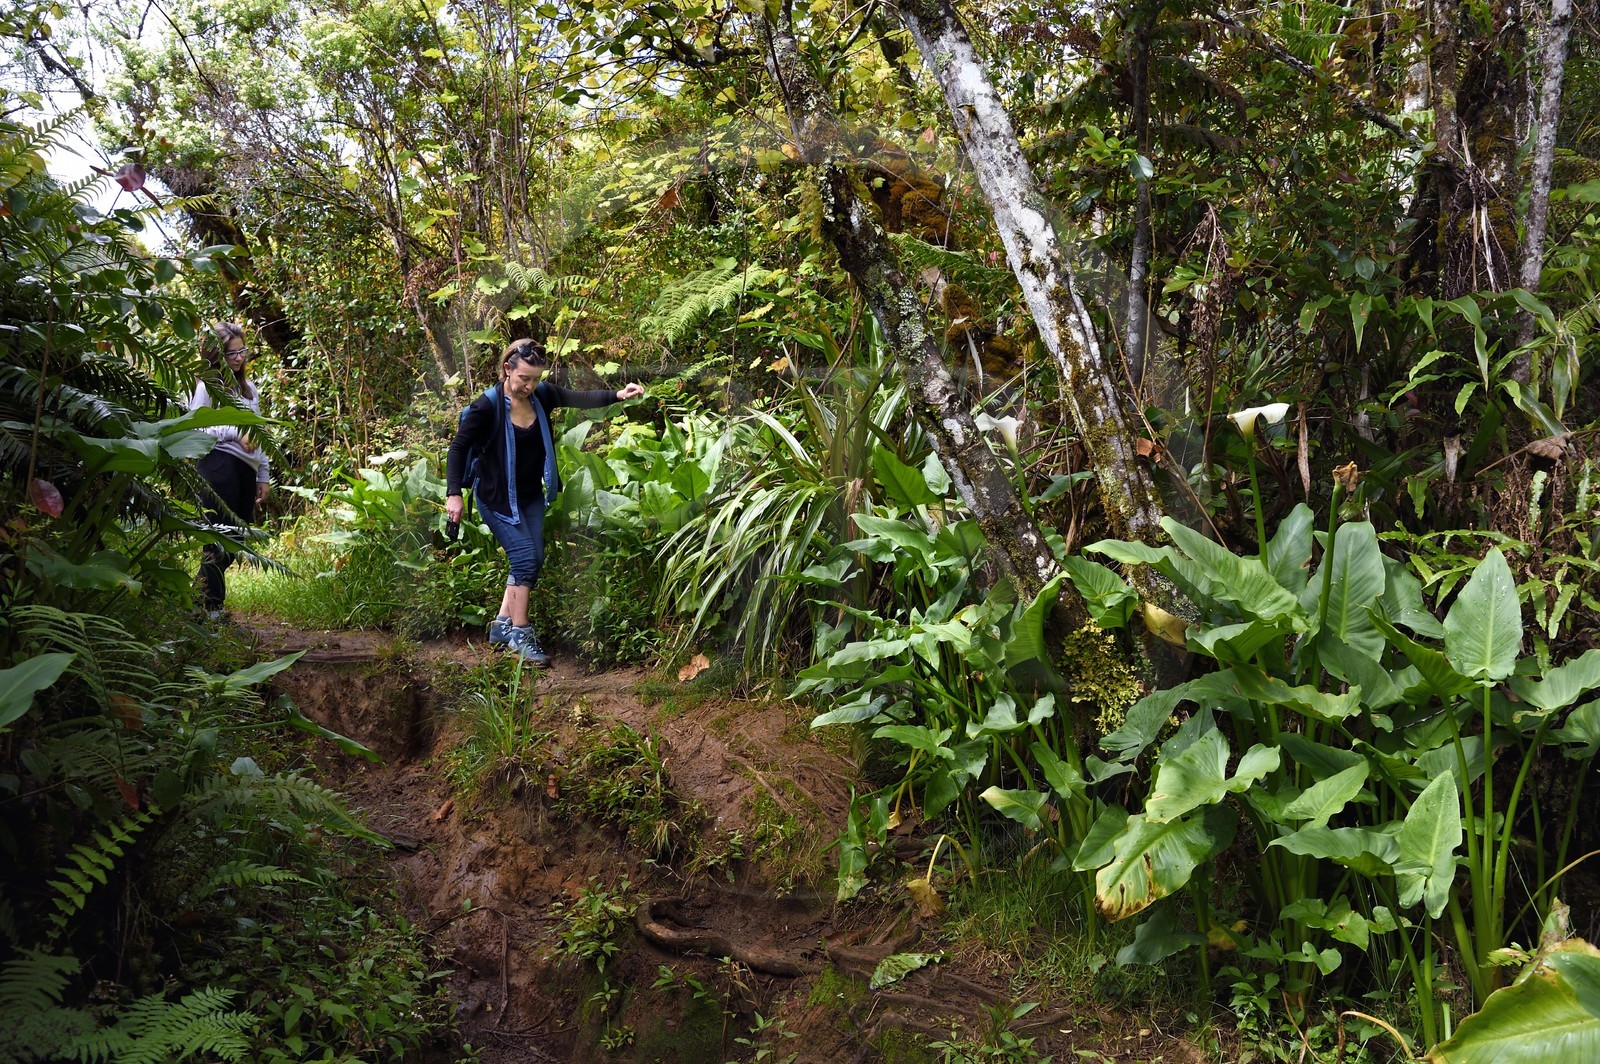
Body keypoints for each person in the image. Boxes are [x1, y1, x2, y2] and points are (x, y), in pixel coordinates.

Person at [446, 339, 644, 665]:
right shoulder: (487, 406)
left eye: (536, 378)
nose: (530, 385)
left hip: (530, 496)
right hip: (495, 499)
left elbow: (576, 398)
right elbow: (457, 449)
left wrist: (618, 395)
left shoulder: (541, 395)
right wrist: (454, 494)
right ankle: (521, 634)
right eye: (524, 378)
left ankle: (500, 626)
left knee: (533, 559)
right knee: (524, 560)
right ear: (507, 369)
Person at [188, 321, 270, 618]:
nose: (238, 358)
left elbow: (260, 432)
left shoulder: (250, 391)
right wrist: (236, 432)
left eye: (241, 352)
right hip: (218, 465)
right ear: (216, 356)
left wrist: (263, 475)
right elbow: (196, 427)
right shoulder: (207, 386)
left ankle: (200, 604)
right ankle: (210, 608)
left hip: (245, 471)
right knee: (217, 537)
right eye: (230, 354)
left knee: (234, 540)